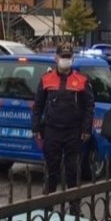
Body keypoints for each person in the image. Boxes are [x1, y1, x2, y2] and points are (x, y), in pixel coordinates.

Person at [32, 43, 94, 207]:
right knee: (52, 170)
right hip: (52, 130)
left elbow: (89, 106)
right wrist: (36, 128)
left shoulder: (81, 80)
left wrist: (87, 129)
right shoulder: (46, 79)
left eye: (68, 57)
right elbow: (37, 106)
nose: (65, 60)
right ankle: (48, 206)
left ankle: (74, 207)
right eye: (63, 57)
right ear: (56, 58)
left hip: (73, 132)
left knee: (72, 171)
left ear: (72, 59)